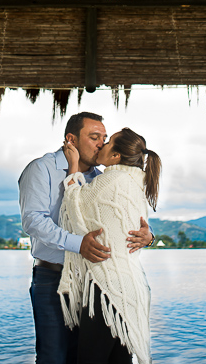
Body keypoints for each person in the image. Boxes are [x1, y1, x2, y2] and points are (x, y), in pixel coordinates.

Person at [20, 112, 154, 364]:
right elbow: (33, 221)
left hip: (93, 284)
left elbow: (124, 220)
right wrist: (78, 244)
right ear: (71, 139)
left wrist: (149, 237)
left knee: (83, 357)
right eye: (94, 137)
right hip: (52, 278)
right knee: (53, 357)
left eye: (104, 138)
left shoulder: (102, 177)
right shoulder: (41, 169)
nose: (101, 144)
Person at [57, 128, 161, 364]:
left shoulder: (112, 180)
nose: (102, 144)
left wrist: (73, 166)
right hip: (130, 286)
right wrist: (150, 237)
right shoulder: (136, 182)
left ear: (115, 156)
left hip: (107, 288)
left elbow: (75, 205)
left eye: (108, 141)